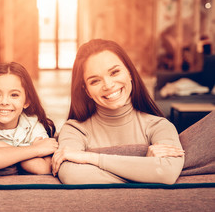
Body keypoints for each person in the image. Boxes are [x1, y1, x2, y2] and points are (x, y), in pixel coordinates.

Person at [52, 39, 185, 184]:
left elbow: (167, 172)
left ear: (130, 73)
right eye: (95, 81)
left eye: (114, 72)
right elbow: (73, 175)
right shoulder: (74, 130)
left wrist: (90, 158)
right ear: (87, 91)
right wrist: (145, 170)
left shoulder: (159, 126)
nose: (108, 85)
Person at [0, 62, 57, 174]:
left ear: (26, 101)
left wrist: (3, 148)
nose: (4, 102)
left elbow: (43, 168)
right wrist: (35, 150)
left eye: (14, 95)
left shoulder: (33, 124)